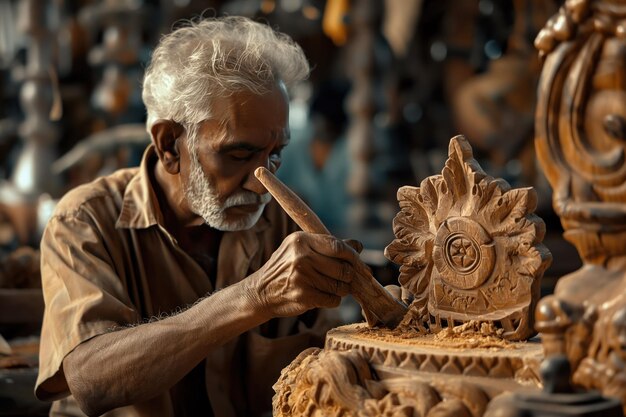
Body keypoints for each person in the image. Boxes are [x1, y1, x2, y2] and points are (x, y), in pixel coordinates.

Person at [35, 16, 361, 417]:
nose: (263, 184)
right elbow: (91, 381)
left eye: (275, 154)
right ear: (170, 144)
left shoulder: (280, 224)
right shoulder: (84, 221)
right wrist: (253, 296)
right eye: (239, 155)